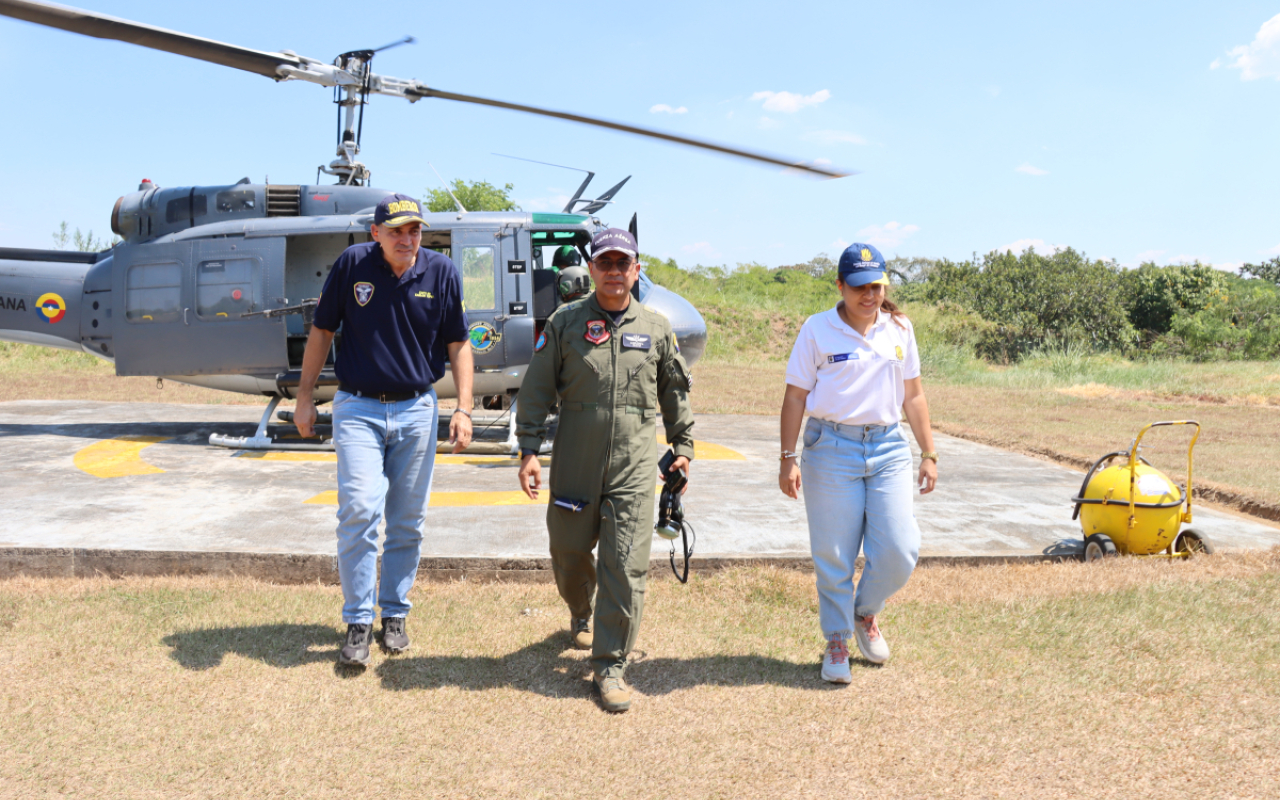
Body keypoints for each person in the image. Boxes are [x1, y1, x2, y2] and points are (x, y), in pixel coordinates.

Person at [515, 228, 695, 713]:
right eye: (606, 263)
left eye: (624, 263)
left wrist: (682, 443)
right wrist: (528, 449)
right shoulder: (565, 323)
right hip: (575, 458)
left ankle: (611, 665)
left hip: (633, 467)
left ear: (636, 270)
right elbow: (535, 390)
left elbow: (674, 392)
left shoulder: (656, 329)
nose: (614, 272)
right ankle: (580, 609)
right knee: (568, 550)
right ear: (592, 268)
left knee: (627, 566)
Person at [293, 193, 474, 667]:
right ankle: (357, 619)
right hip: (358, 408)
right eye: (395, 231)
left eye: (414, 230)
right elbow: (322, 331)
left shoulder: (441, 272)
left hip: (417, 410)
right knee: (358, 510)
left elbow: (458, 342)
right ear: (376, 233)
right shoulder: (352, 264)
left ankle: (393, 614)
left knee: (408, 520)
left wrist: (465, 408)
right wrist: (305, 396)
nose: (406, 239)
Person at [778, 242, 937, 683]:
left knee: (901, 549)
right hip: (830, 447)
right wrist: (788, 458)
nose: (869, 295)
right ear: (840, 286)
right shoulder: (817, 330)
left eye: (877, 286)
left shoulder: (899, 328)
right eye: (860, 287)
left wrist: (929, 452)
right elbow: (795, 397)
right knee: (834, 554)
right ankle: (836, 640)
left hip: (887, 448)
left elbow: (914, 395)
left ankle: (864, 611)